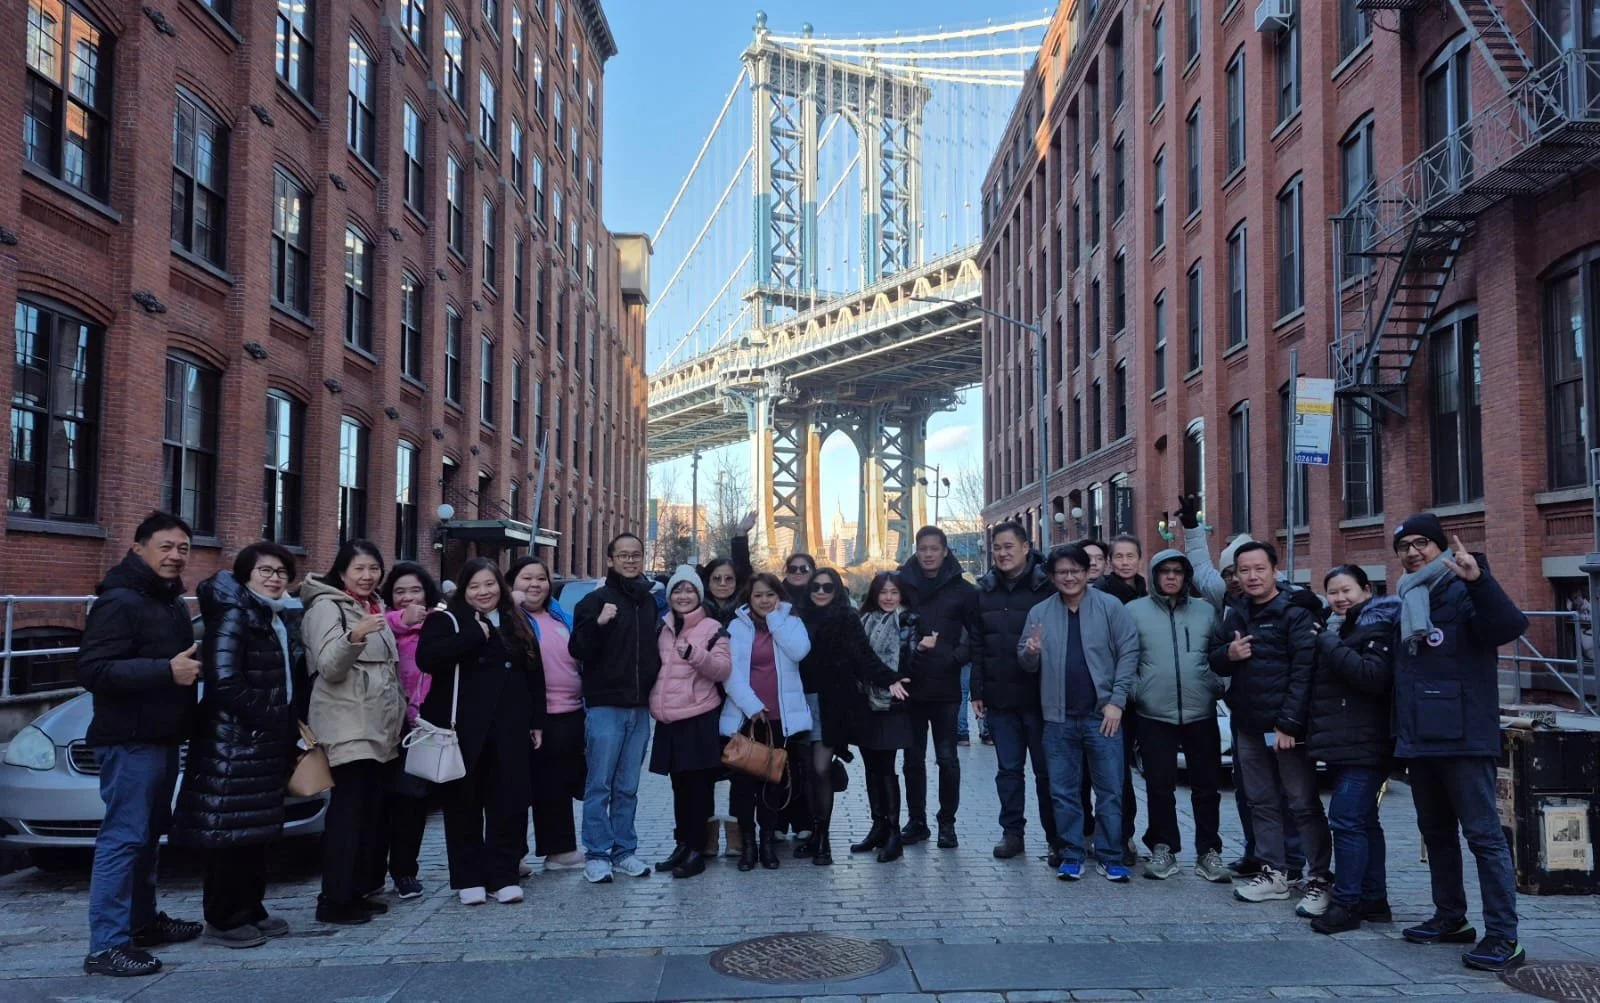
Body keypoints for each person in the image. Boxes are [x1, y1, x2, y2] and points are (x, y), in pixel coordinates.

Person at [1388, 515, 1529, 972]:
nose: (1412, 552)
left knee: (1484, 838)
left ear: (1440, 546)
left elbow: (1509, 626)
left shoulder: (1462, 584)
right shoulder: (1408, 594)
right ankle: (1451, 918)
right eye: (1404, 545)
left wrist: (1480, 580)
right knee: (1436, 834)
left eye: (1422, 543)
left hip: (1466, 736)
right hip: (1420, 736)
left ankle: (1504, 937)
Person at [78, 512, 204, 977]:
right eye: (165, 547)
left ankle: (143, 922)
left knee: (147, 838)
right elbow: (93, 671)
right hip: (129, 741)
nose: (175, 556)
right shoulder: (120, 601)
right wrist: (164, 671)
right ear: (139, 549)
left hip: (161, 736)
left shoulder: (167, 600)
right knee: (123, 839)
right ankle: (106, 946)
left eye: (183, 548)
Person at [172, 542, 304, 949]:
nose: (274, 577)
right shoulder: (234, 615)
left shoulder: (274, 614)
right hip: (234, 742)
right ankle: (224, 918)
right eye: (265, 570)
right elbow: (225, 681)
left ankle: (251, 908)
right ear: (246, 575)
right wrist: (272, 715)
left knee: (254, 830)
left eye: (281, 571)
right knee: (230, 833)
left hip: (262, 740)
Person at [1207, 541, 1331, 911]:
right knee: (1260, 801)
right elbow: (1215, 657)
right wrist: (1228, 655)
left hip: (1286, 729)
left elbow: (1304, 672)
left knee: (1302, 803)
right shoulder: (1236, 612)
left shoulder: (1294, 613)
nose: (1251, 576)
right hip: (1248, 724)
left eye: (1259, 568)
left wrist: (1290, 724)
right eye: (1243, 570)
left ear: (1275, 571)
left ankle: (1319, 877)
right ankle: (1275, 872)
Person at [417, 558, 544, 905]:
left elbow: (533, 671)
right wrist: (473, 635)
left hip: (510, 725)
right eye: (474, 586)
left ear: (499, 586)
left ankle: (503, 875)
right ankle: (468, 877)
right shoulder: (446, 620)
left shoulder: (515, 619)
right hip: (462, 729)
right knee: (463, 804)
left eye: (489, 584)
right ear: (463, 590)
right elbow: (427, 660)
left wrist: (537, 720)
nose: (483, 592)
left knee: (507, 802)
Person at [1019, 544, 1139, 883]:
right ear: (1053, 577)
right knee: (1063, 791)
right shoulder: (1040, 612)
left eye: (1076, 570)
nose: (1069, 577)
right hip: (1057, 719)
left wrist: (1117, 701)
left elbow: (1129, 653)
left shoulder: (1110, 607)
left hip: (1103, 716)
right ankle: (1071, 853)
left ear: (1088, 573)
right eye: (1062, 572)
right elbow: (1025, 662)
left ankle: (1110, 855)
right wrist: (1031, 652)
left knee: (1111, 790)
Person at [302, 540, 406, 925]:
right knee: (348, 816)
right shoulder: (326, 608)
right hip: (347, 726)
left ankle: (356, 890)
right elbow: (329, 666)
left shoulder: (371, 606)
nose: (367, 576)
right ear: (342, 572)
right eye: (359, 568)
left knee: (369, 815)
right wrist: (355, 635)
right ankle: (334, 899)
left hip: (378, 728)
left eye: (374, 568)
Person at [1125, 546, 1231, 884]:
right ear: (1155, 576)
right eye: (1165, 571)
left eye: (1178, 571)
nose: (1171, 576)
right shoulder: (1133, 611)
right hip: (1154, 713)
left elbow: (1222, 651)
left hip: (1201, 712)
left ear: (1186, 577)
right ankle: (1163, 847)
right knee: (1159, 786)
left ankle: (1209, 851)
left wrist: (1218, 686)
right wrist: (1136, 691)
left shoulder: (1206, 611)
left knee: (1207, 787)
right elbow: (1124, 659)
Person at [1307, 565, 1398, 935]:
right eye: (1333, 592)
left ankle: (1347, 903)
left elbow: (1372, 677)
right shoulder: (1341, 628)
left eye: (1347, 591)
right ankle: (1375, 900)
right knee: (1364, 822)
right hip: (1348, 744)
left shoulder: (1376, 628)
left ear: (1366, 590)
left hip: (1369, 744)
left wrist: (1328, 645)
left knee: (1344, 820)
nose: (1340, 598)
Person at [795, 568, 908, 865]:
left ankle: (825, 841)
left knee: (820, 769)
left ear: (837, 590)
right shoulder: (796, 617)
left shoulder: (846, 618)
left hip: (831, 704)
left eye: (828, 587)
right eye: (815, 587)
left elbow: (863, 656)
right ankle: (815, 834)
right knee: (805, 770)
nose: (821, 592)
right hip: (796, 701)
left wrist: (890, 678)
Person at [569, 533, 662, 884]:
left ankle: (625, 851)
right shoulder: (594, 602)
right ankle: (596, 854)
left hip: (639, 708)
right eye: (622, 555)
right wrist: (599, 624)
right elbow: (578, 649)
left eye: (635, 555)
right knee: (600, 785)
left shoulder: (648, 602)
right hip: (605, 706)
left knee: (628, 785)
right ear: (610, 560)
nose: (629, 561)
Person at [974, 522, 1064, 864]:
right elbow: (979, 643)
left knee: (1047, 773)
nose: (1002, 553)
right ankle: (1013, 834)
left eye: (1009, 546)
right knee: (1008, 771)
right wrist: (978, 690)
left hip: (1042, 698)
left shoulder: (1047, 587)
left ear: (1027, 547)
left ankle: (1056, 838)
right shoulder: (985, 590)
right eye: (997, 547)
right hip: (1000, 699)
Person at [897, 526, 982, 849]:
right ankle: (916, 821)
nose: (929, 554)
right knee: (912, 760)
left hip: (946, 688)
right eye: (923, 549)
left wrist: (953, 657)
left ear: (945, 551)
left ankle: (947, 823)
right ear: (916, 551)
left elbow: (975, 636)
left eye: (935, 548)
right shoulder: (902, 586)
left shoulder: (964, 591)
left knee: (947, 759)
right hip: (910, 686)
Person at [721, 573, 812, 870]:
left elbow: (799, 652)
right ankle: (748, 845)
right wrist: (751, 705)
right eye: (758, 595)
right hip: (747, 717)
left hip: (780, 719)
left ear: (779, 596)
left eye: (770, 595)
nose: (764, 601)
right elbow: (729, 672)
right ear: (749, 598)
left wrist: (775, 621)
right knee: (745, 786)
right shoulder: (737, 626)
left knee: (773, 784)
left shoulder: (792, 623)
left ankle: (767, 843)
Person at [650, 566, 733, 879]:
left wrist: (696, 654)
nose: (682, 596)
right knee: (678, 786)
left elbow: (723, 670)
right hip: (669, 717)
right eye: (677, 591)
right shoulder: (663, 626)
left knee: (697, 788)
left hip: (698, 716)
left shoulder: (713, 628)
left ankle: (698, 849)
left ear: (699, 595)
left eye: (689, 591)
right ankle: (682, 844)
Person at [509, 556, 586, 872]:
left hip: (569, 712)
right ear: (512, 584)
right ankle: (512, 855)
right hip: (529, 717)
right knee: (517, 787)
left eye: (540, 578)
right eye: (526, 578)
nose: (534, 584)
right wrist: (508, 607)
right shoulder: (508, 619)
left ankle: (559, 849)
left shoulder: (560, 617)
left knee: (557, 784)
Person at [372, 562, 441, 900]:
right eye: (400, 591)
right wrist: (402, 620)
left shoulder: (438, 626)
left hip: (421, 728)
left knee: (411, 803)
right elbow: (369, 628)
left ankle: (404, 872)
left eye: (415, 590)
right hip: (380, 726)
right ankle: (370, 874)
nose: (408, 597)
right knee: (378, 805)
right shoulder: (382, 626)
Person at [852, 572, 920, 863]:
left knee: (886, 767)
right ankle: (877, 826)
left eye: (894, 592)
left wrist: (921, 653)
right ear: (874, 595)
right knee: (871, 768)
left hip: (894, 702)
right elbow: (859, 659)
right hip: (866, 701)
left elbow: (910, 663)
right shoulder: (863, 621)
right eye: (883, 592)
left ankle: (893, 833)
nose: (889, 597)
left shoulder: (909, 621)